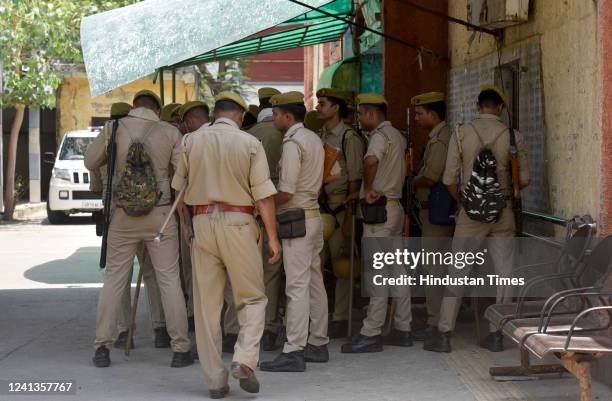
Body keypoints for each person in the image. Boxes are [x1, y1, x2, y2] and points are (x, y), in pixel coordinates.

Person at [172, 91, 281, 398]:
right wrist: (272, 237)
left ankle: (215, 382)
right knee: (252, 299)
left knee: (206, 307)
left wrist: (186, 227)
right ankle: (245, 359)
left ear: (215, 113)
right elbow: (263, 196)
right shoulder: (249, 144)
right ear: (240, 116)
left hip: (202, 223)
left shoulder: (190, 141)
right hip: (239, 222)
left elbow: (179, 194)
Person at [86, 89, 192, 368]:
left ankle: (102, 347)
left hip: (121, 215)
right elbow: (184, 175)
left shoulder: (113, 128)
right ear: (157, 110)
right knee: (168, 280)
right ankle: (180, 348)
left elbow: (89, 161)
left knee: (114, 280)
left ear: (134, 107)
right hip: (160, 214)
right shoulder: (169, 132)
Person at [424, 86, 530, 353]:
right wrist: (502, 194)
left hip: (470, 214)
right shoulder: (513, 136)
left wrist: (464, 202)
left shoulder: (461, 132)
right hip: (503, 212)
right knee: (504, 273)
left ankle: (444, 334)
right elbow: (525, 180)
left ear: (477, 106)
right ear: (501, 108)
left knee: (457, 270)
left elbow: (449, 179)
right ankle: (497, 334)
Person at [89, 102, 170, 349]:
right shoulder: (158, 135)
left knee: (116, 278)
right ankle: (161, 329)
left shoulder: (109, 137)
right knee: (157, 275)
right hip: (154, 211)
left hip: (118, 215)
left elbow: (93, 178)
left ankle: (121, 333)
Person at [259, 91, 328, 372]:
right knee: (314, 282)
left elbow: (286, 192)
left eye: (276, 115)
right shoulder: (313, 138)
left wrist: (262, 205)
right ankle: (319, 343)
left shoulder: (292, 143)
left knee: (296, 287)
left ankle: (294, 349)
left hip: (296, 219)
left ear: (288, 116)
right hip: (313, 216)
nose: (273, 119)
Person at [341, 93, 412, 353]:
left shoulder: (379, 138)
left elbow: (371, 161)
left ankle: (371, 332)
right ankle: (403, 328)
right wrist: (359, 191)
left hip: (378, 215)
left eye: (361, 113)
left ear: (371, 113)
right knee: (397, 272)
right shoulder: (397, 136)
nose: (360, 118)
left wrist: (368, 188)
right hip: (395, 209)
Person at [224, 87, 284, 352]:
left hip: (243, 214)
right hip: (278, 210)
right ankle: (268, 330)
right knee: (270, 273)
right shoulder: (287, 135)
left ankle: (232, 330)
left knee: (236, 274)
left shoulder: (246, 136)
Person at [315, 87, 364, 338]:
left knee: (343, 265)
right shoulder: (319, 135)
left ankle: (342, 316)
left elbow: (356, 177)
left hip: (342, 207)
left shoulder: (349, 138)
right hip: (321, 207)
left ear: (336, 108)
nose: (318, 107)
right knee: (317, 264)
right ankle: (320, 317)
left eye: (322, 103)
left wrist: (350, 215)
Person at [410, 92, 454, 341]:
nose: (416, 118)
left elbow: (432, 176)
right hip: (437, 212)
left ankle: (435, 321)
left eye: (420, 113)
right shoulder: (441, 137)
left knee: (434, 269)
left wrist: (414, 181)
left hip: (435, 213)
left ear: (433, 114)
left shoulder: (440, 140)